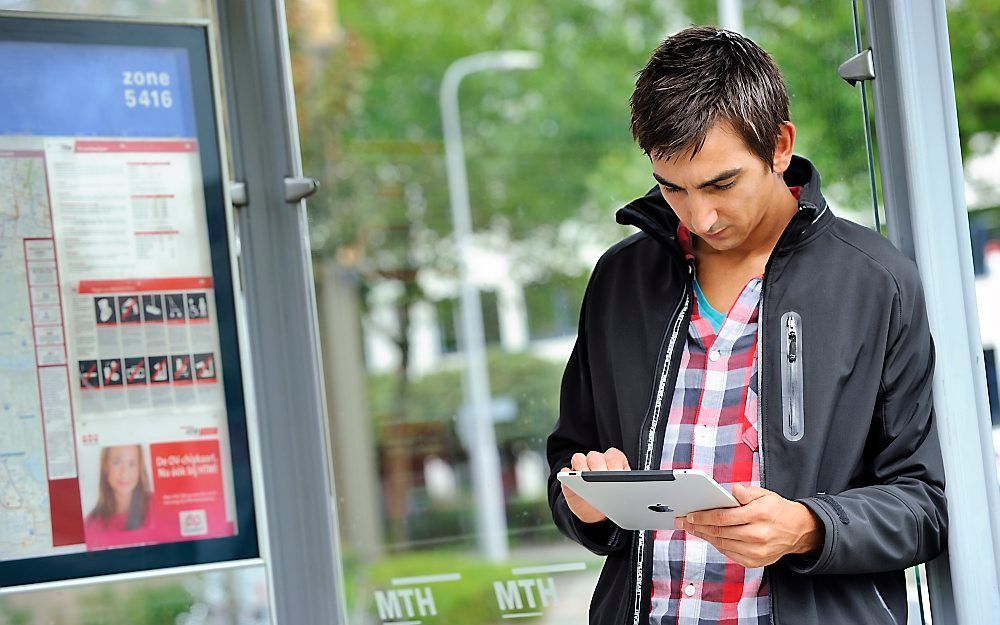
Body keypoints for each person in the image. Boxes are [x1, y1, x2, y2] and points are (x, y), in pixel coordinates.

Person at [546, 26, 947, 625]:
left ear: (780, 146)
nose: (700, 215)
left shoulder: (875, 282)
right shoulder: (618, 281)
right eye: (671, 188)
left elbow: (925, 506)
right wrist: (586, 501)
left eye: (721, 184)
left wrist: (809, 528)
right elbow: (567, 464)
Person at [85, 444, 154, 549]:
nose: (124, 473)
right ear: (105, 466)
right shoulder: (92, 525)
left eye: (132, 464)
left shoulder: (159, 505)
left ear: (139, 468)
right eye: (116, 463)